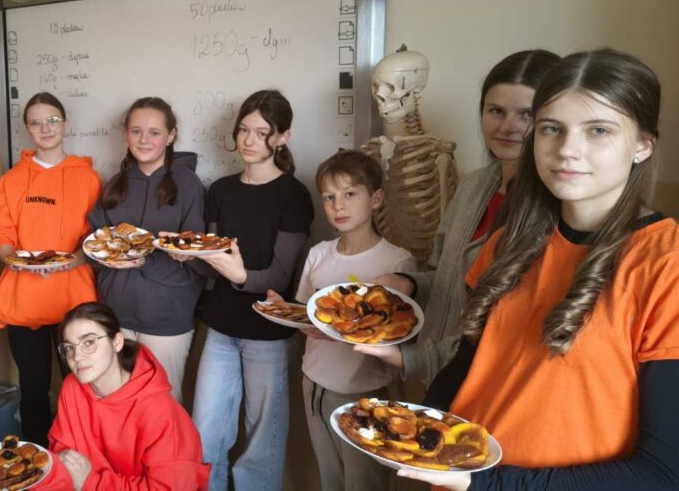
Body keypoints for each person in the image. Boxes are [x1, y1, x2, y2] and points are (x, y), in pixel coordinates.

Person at [404, 49, 679, 490]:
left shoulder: (665, 264)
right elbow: (468, 370)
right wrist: (412, 431)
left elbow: (662, 473)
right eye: (552, 128)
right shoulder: (510, 242)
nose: (567, 150)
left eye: (598, 130)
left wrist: (487, 485)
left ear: (643, 144)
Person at [356, 50, 560, 384]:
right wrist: (408, 283)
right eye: (496, 111)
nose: (507, 126)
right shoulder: (473, 187)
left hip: (487, 386)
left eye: (526, 114)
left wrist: (414, 358)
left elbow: (509, 331)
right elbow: (443, 275)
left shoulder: (556, 211)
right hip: (438, 381)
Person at [190, 90, 314, 491]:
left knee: (262, 440)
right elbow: (212, 258)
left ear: (283, 137)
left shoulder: (293, 194)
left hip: (268, 334)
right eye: (244, 130)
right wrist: (182, 254)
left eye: (262, 133)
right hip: (220, 328)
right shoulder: (221, 189)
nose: (248, 140)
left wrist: (241, 276)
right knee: (206, 431)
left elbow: (281, 275)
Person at [268, 150, 414, 491]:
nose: (339, 205)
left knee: (364, 483)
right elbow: (307, 315)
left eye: (350, 194)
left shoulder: (398, 263)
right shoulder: (319, 254)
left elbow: (403, 335)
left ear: (376, 198)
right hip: (314, 384)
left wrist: (352, 331)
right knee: (329, 477)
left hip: (364, 393)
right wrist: (283, 310)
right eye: (329, 197)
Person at [0, 92, 101, 446]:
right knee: (33, 386)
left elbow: (97, 238)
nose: (45, 128)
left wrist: (73, 260)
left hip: (73, 298)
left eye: (52, 120)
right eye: (36, 122)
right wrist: (14, 258)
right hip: (25, 299)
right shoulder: (11, 180)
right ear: (27, 129)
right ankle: (39, 456)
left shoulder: (88, 178)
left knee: (81, 383)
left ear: (65, 124)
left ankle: (80, 453)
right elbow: (0, 233)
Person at [87, 97, 205, 402]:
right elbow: (95, 245)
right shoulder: (115, 184)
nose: (144, 140)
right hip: (117, 317)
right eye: (136, 131)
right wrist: (105, 259)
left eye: (154, 132)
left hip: (166, 320)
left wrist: (144, 262)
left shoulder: (188, 184)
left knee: (162, 404)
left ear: (171, 135)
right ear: (126, 134)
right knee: (119, 403)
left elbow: (199, 262)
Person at [41, 302, 210, 490]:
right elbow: (64, 454)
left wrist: (91, 482)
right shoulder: (72, 387)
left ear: (117, 342)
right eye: (69, 348)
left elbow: (169, 487)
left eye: (89, 342)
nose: (77, 356)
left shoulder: (160, 411)